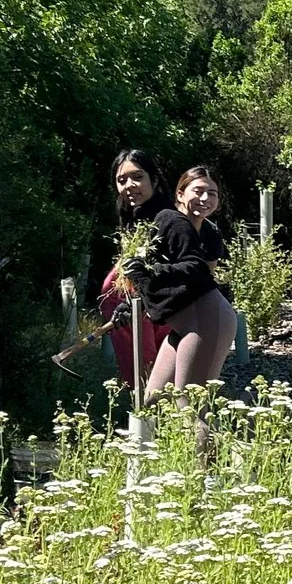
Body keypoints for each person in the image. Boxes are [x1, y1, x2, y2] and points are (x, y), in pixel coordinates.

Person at [141, 165, 238, 402]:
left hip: (205, 320)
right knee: (153, 401)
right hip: (185, 322)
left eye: (212, 193)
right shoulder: (170, 221)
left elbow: (201, 279)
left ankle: (203, 439)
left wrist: (150, 273)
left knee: (191, 407)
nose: (205, 199)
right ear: (180, 194)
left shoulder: (211, 233)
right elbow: (151, 272)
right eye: (198, 191)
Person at [97, 147, 175, 397]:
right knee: (143, 384)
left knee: (158, 382)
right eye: (121, 180)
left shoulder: (167, 220)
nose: (129, 185)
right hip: (131, 321)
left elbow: (176, 272)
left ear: (154, 179)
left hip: (154, 317)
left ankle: (156, 420)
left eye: (137, 177)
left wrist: (136, 303)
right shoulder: (133, 219)